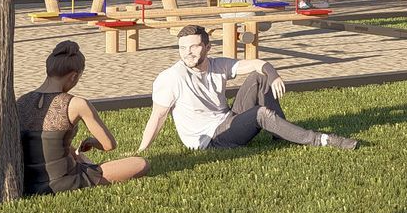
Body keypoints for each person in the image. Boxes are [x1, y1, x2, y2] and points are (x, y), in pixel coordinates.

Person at [137, 25, 358, 152]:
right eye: (183, 48)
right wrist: (142, 150)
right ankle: (320, 139)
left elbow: (256, 64)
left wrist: (273, 76)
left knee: (258, 77)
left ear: (207, 47)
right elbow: (158, 117)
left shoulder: (217, 64)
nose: (188, 52)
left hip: (226, 120)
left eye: (194, 46)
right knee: (260, 114)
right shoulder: (171, 77)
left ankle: (280, 134)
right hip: (211, 140)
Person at [18, 41, 149, 195]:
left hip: (29, 182)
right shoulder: (76, 104)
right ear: (74, 76)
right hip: (65, 180)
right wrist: (92, 142)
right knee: (141, 163)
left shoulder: (22, 101)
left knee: (76, 154)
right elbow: (109, 145)